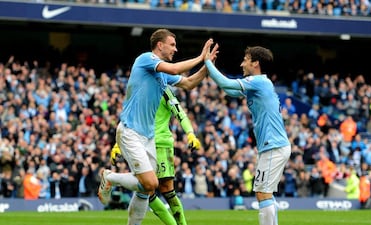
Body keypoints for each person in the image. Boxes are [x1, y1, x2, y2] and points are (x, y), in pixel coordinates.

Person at [97, 28, 217, 225]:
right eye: (172, 45)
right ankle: (110, 177)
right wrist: (200, 57)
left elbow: (188, 83)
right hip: (130, 131)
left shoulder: (161, 75)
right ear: (160, 45)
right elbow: (175, 69)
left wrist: (207, 65)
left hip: (148, 136)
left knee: (147, 190)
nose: (175, 49)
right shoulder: (145, 59)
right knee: (151, 183)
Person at [204, 45, 291, 225]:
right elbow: (229, 90)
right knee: (266, 193)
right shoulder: (259, 85)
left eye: (245, 59)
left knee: (262, 193)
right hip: (274, 145)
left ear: (255, 63)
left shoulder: (259, 82)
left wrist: (207, 62)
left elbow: (227, 83)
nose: (242, 63)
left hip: (273, 145)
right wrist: (211, 68)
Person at [110, 85, 202, 225]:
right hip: (141, 144)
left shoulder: (164, 91)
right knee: (147, 189)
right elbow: (130, 120)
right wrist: (118, 145)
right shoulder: (139, 92)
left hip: (161, 145)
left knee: (167, 190)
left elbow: (180, 113)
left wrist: (190, 133)